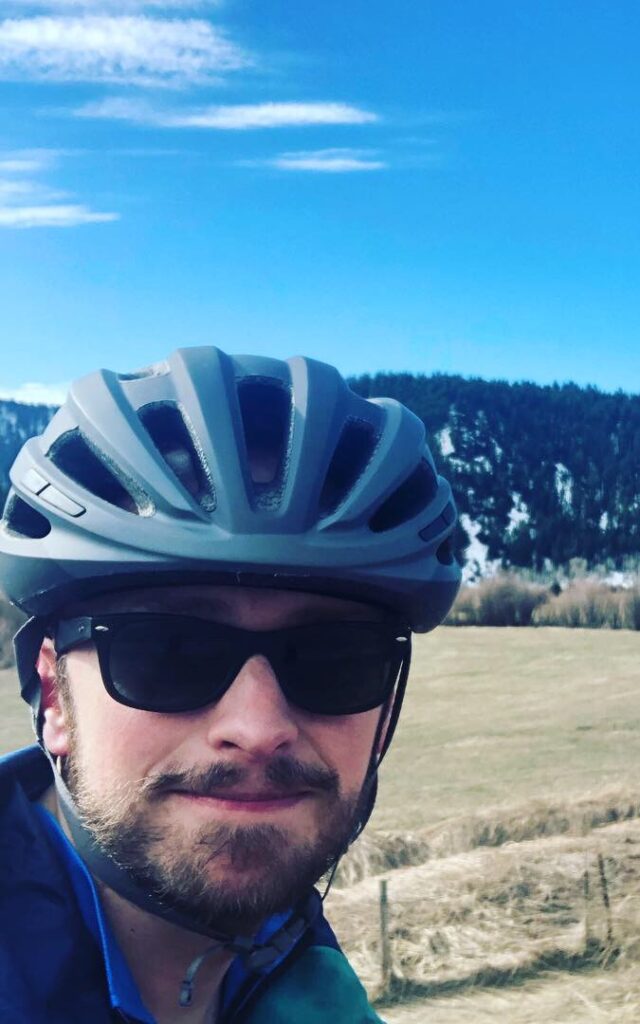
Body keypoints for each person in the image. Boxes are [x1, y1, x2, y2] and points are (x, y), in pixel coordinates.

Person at [0, 347, 461, 1023]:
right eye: (169, 650)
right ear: (53, 694)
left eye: (334, 658)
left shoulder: (309, 980)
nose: (257, 728)